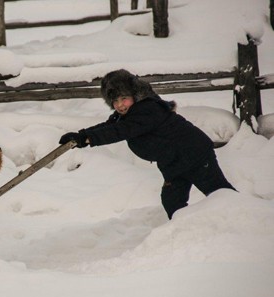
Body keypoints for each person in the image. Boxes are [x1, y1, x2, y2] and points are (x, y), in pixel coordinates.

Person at [59, 69, 235, 219]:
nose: (120, 105)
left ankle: (244, 217)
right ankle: (190, 232)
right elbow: (110, 126)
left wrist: (87, 139)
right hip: (173, 161)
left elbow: (120, 131)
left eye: (124, 98)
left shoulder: (147, 109)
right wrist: (82, 136)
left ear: (134, 95)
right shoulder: (128, 114)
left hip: (194, 154)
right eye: (115, 101)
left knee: (219, 192)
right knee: (172, 201)